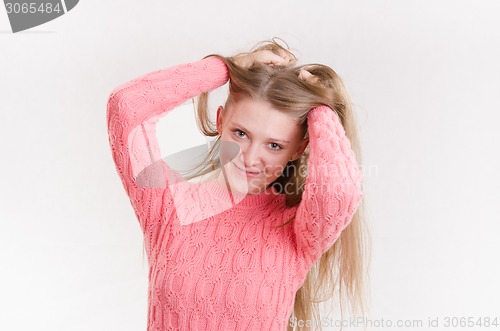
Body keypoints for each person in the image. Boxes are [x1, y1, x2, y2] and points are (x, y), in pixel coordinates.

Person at [106, 38, 369, 331]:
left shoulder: (296, 227)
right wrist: (226, 67)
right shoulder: (170, 208)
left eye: (274, 144)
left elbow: (339, 192)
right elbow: (126, 106)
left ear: (298, 148)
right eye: (241, 133)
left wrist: (320, 105)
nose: (250, 158)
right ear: (220, 121)